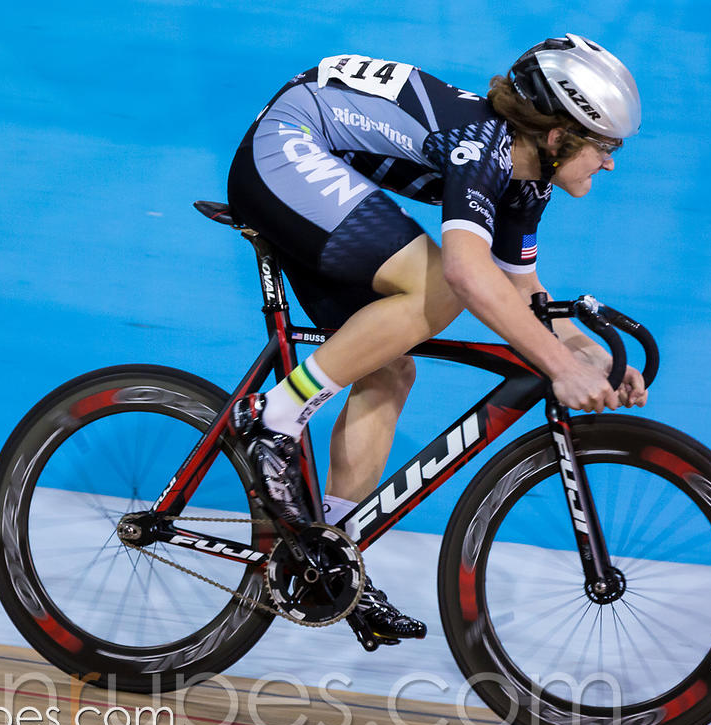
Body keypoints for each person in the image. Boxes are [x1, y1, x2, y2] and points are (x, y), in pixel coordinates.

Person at [226, 34, 649, 648]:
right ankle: (274, 417)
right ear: (559, 137)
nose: (609, 163)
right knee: (441, 286)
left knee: (388, 370)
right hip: (286, 147)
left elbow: (523, 289)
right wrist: (559, 367)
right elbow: (468, 275)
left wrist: (594, 358)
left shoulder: (527, 181)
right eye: (604, 146)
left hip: (316, 166)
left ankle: (327, 554)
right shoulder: (481, 146)